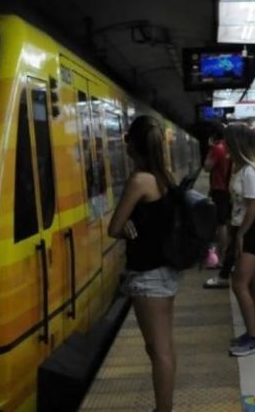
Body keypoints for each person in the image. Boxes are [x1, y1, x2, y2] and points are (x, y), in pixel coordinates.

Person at [107, 115, 181, 412]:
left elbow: (113, 227)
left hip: (148, 275)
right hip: (164, 271)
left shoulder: (139, 181)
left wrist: (124, 226)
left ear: (132, 146)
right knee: (160, 346)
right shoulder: (165, 177)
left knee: (159, 349)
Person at [223, 124, 255, 356]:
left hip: (251, 230)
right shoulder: (245, 168)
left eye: (227, 141)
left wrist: (241, 233)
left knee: (239, 283)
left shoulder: (249, 171)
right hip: (248, 229)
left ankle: (253, 338)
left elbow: (254, 204)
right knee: (253, 283)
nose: (224, 145)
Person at [203, 124, 233, 288]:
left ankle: (221, 257)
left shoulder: (217, 149)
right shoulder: (228, 149)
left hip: (219, 190)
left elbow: (207, 167)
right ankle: (224, 254)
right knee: (225, 223)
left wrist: (210, 149)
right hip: (226, 190)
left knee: (220, 224)